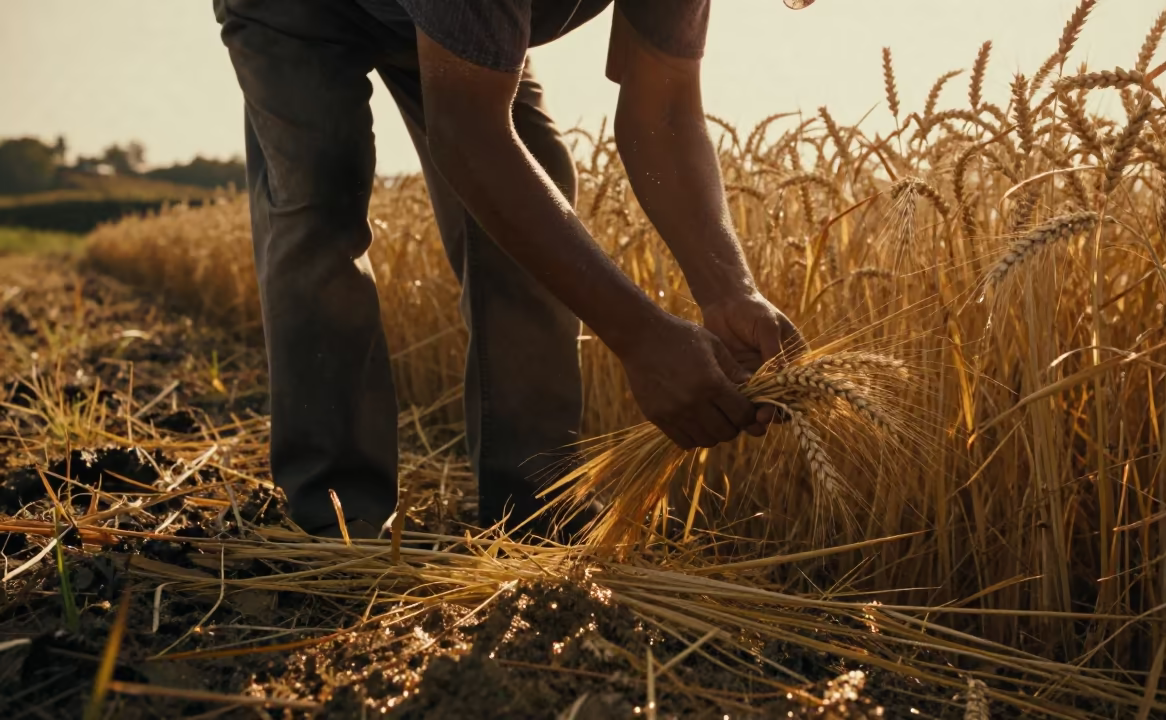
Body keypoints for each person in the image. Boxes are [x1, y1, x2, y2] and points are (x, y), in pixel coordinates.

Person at [213, 0, 809, 540]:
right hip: (293, 12)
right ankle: (336, 519)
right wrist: (643, 339)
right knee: (319, 202)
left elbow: (666, 110)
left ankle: (538, 512)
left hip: (448, 24)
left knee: (537, 191)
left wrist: (731, 291)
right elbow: (468, 133)